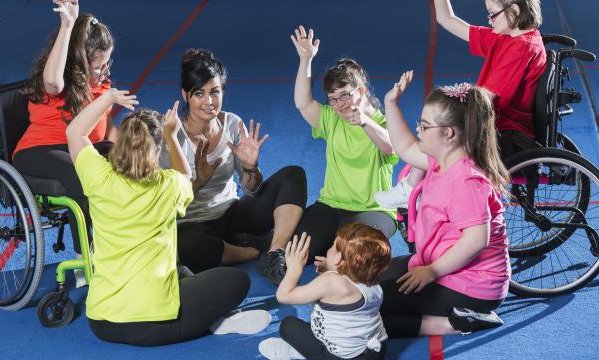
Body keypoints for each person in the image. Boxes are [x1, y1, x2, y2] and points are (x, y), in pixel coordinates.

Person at [67, 88, 269, 346]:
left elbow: (74, 132)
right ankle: (213, 321)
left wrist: (107, 99)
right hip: (155, 323)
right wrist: (172, 136)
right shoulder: (168, 184)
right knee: (236, 280)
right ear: (156, 149)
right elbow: (186, 176)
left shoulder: (99, 177)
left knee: (182, 271)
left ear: (120, 144)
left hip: (102, 321)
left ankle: (212, 319)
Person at [377, 0, 546, 209]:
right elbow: (447, 20)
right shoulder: (506, 37)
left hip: (502, 132)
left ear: (514, 11)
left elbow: (484, 98)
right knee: (436, 119)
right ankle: (411, 188)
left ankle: (411, 189)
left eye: (492, 13)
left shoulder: (521, 48)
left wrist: (444, 111)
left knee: (436, 126)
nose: (489, 19)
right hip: (492, 121)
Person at [379, 71, 510, 337]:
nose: (419, 130)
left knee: (365, 310)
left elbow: (476, 240)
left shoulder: (465, 181)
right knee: (365, 283)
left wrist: (431, 271)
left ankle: (452, 323)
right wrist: (390, 104)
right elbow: (404, 147)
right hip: (436, 263)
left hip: (472, 286)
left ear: (448, 133)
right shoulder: (440, 161)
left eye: (424, 126)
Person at [160, 49, 307, 285]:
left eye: (215, 92)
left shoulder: (232, 123)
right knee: (184, 245)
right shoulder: (170, 135)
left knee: (293, 175)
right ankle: (254, 250)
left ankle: (273, 252)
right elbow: (164, 204)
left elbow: (251, 189)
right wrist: (198, 183)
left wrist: (250, 167)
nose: (209, 102)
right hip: (193, 225)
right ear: (185, 95)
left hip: (231, 212)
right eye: (200, 93)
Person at [13, 1, 117, 267]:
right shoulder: (59, 82)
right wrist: (68, 24)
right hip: (41, 150)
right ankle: (86, 260)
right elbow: (52, 81)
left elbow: (108, 127)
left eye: (107, 64)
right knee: (83, 174)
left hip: (81, 150)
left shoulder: (102, 87)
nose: (104, 72)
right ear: (79, 63)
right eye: (98, 67)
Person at [290, 25, 399, 262]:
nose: (339, 104)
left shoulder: (383, 122)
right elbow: (302, 103)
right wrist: (305, 59)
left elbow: (391, 147)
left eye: (345, 95)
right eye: (333, 99)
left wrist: (364, 123)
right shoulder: (331, 118)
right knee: (297, 253)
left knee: (358, 257)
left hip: (374, 210)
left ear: (360, 92)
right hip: (331, 205)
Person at [259, 223, 390, 360]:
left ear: (338, 258)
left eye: (333, 246)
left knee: (287, 325)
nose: (330, 249)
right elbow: (346, 286)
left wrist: (294, 268)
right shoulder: (372, 277)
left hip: (344, 357)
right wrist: (333, 268)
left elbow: (283, 296)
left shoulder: (329, 282)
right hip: (378, 350)